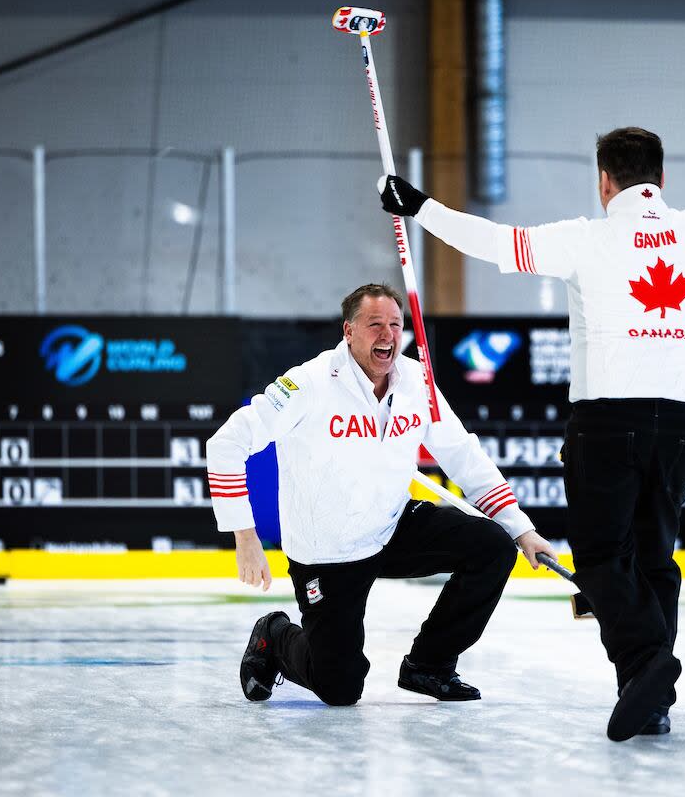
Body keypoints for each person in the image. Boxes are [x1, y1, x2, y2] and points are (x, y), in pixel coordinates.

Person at [377, 76, 685, 740]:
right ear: (661, 177)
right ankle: (647, 696)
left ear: (604, 181)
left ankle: (650, 669)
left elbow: (491, 241)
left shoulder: (585, 238)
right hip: (681, 421)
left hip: (607, 421)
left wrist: (418, 207)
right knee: (655, 558)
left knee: (599, 559)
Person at [207, 283, 556, 707]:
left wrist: (522, 530)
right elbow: (225, 444)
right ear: (348, 331)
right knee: (339, 687)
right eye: (375, 325)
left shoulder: (416, 381)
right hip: (329, 551)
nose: (388, 335)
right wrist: (245, 536)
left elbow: (463, 455)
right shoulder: (308, 384)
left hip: (391, 527)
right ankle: (275, 637)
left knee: (492, 546)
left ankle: (430, 664)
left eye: (395, 324)